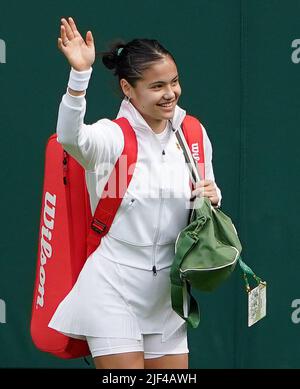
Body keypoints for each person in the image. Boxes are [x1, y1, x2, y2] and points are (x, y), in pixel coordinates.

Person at [48, 16, 222, 369]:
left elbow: (203, 202)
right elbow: (69, 137)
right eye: (157, 86)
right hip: (113, 287)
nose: (170, 93)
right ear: (128, 89)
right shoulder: (110, 137)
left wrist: (213, 196)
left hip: (168, 295)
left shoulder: (193, 133)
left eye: (174, 82)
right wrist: (79, 77)